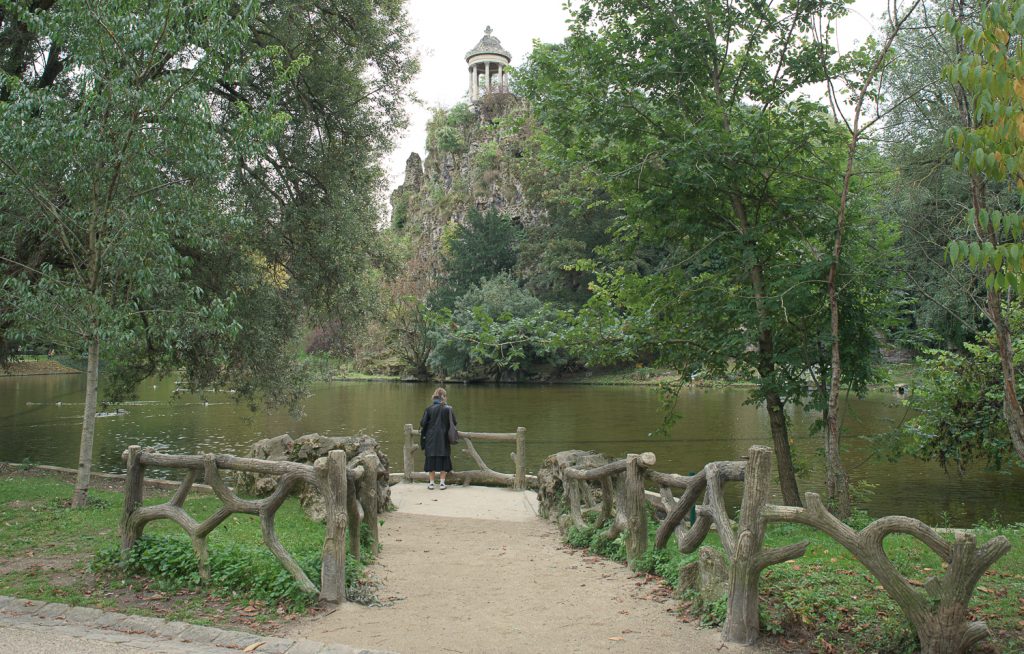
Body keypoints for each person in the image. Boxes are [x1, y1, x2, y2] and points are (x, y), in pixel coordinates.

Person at [420, 387, 455, 489]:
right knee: (444, 458)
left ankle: (431, 483)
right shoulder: (448, 409)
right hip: (444, 438)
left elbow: (422, 423)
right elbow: (454, 422)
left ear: (434, 396)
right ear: (444, 397)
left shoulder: (429, 408)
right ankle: (442, 483)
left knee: (431, 459)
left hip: (430, 439)